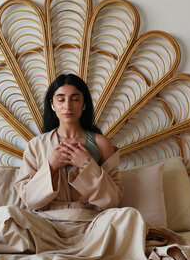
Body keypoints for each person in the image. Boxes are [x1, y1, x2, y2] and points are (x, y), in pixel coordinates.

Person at [14, 74, 123, 212]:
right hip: (47, 221)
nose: (67, 106)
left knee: (130, 216)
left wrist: (86, 165)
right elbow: (29, 200)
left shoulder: (101, 144)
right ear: (52, 104)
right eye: (61, 100)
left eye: (75, 99)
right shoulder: (36, 145)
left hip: (92, 220)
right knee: (4, 215)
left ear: (84, 104)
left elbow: (113, 200)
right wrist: (52, 166)